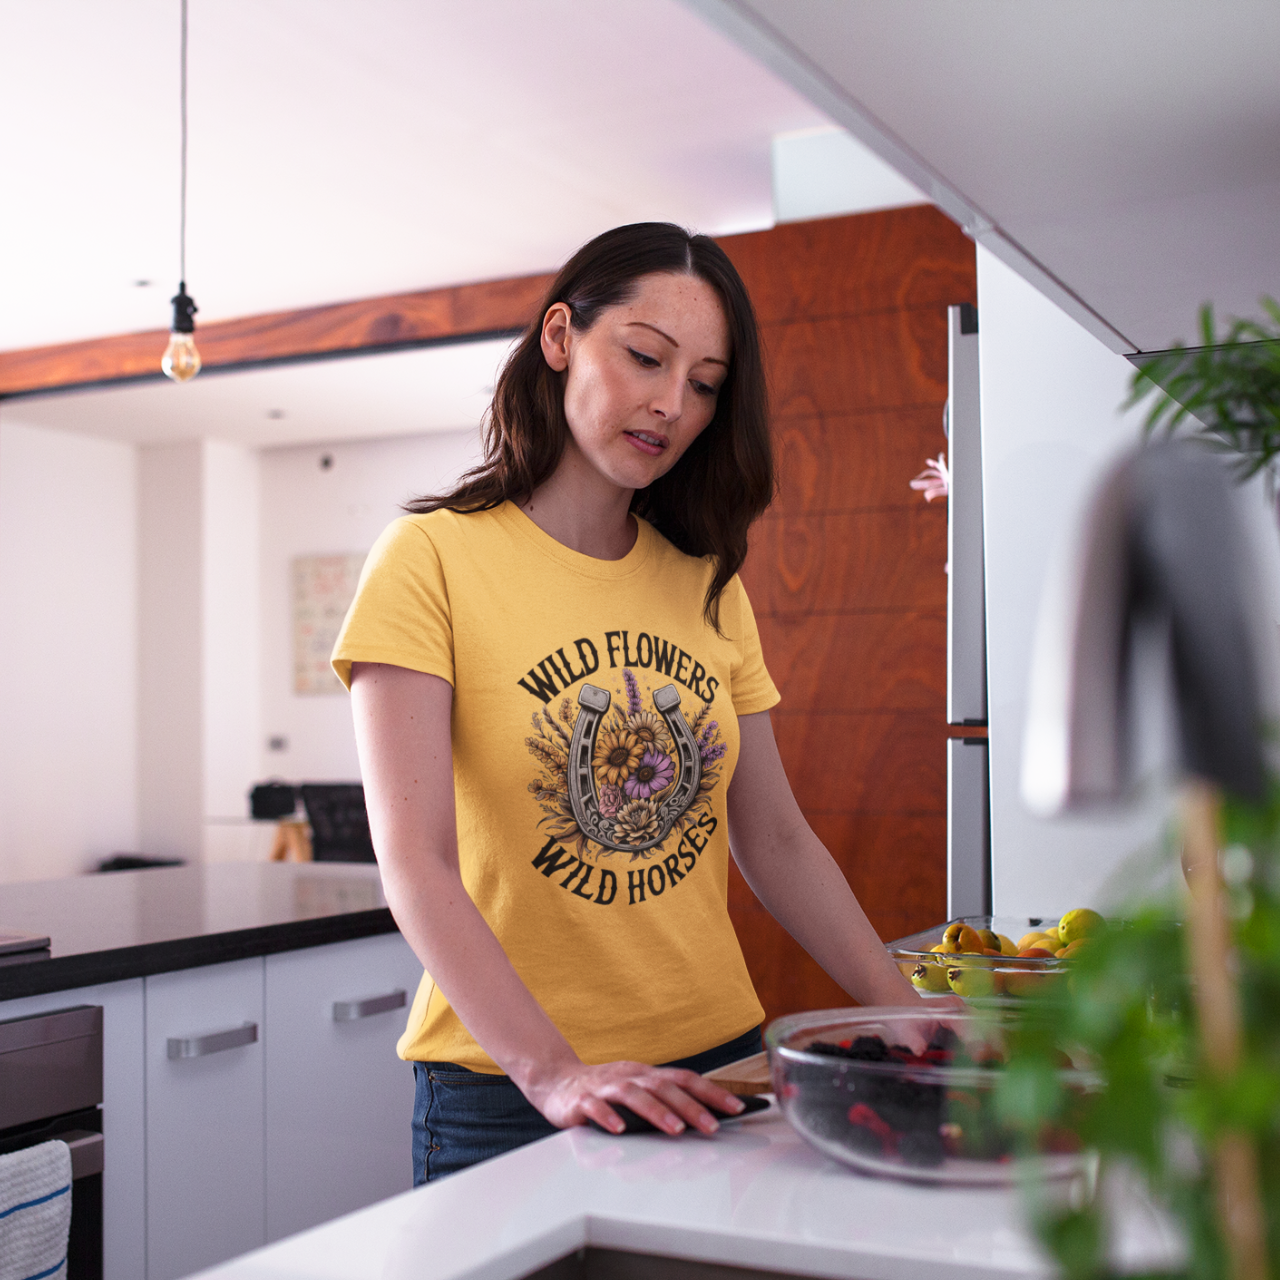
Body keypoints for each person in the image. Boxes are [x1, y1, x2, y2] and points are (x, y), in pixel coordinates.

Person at [331, 222, 929, 1185]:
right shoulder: (430, 558)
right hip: (512, 1092)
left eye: (703, 384)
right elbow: (413, 859)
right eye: (645, 357)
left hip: (723, 1067)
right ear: (562, 338)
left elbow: (773, 836)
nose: (670, 405)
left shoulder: (706, 581)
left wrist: (905, 1008)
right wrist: (554, 1071)